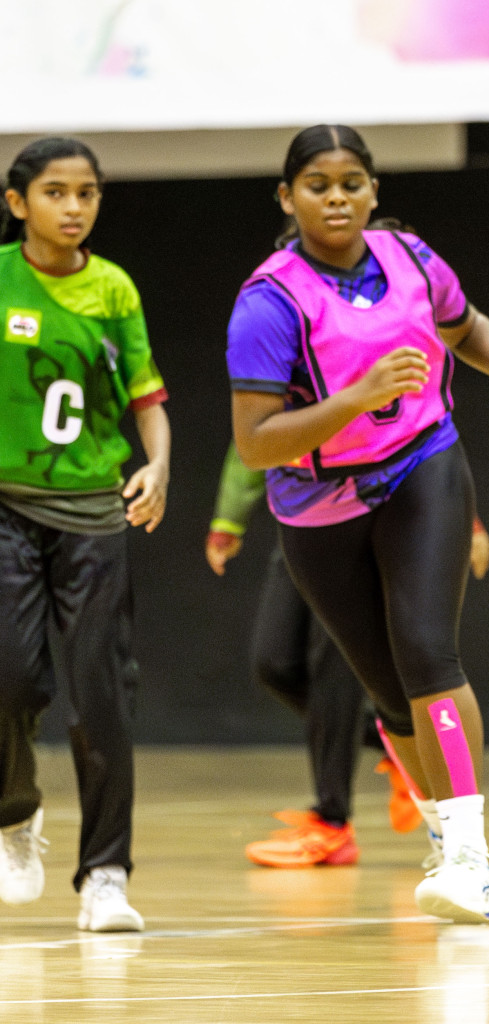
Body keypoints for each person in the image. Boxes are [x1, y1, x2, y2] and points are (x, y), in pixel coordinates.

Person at [226, 124, 489, 922]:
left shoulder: (411, 259)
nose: (336, 197)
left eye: (351, 182)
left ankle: (471, 859)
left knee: (426, 652)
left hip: (423, 466)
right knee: (385, 691)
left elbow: (464, 322)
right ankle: (449, 840)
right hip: (319, 505)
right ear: (288, 198)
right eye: (317, 185)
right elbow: (254, 442)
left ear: (373, 191)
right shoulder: (269, 303)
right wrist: (352, 398)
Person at [0, 137, 171, 932]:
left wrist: (158, 465)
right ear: (17, 204)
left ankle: (106, 874)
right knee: (12, 678)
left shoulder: (115, 289)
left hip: (95, 515)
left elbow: (146, 396)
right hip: (6, 508)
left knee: (102, 694)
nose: (74, 207)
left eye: (88, 194)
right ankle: (15, 811)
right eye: (56, 193)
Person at [204, 440, 489, 868]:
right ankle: (396, 745)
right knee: (274, 664)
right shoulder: (281, 372)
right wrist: (229, 516)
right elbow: (253, 429)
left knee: (334, 671)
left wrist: (465, 520)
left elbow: (417, 427)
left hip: (371, 521)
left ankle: (332, 821)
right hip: (304, 520)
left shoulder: (366, 373)